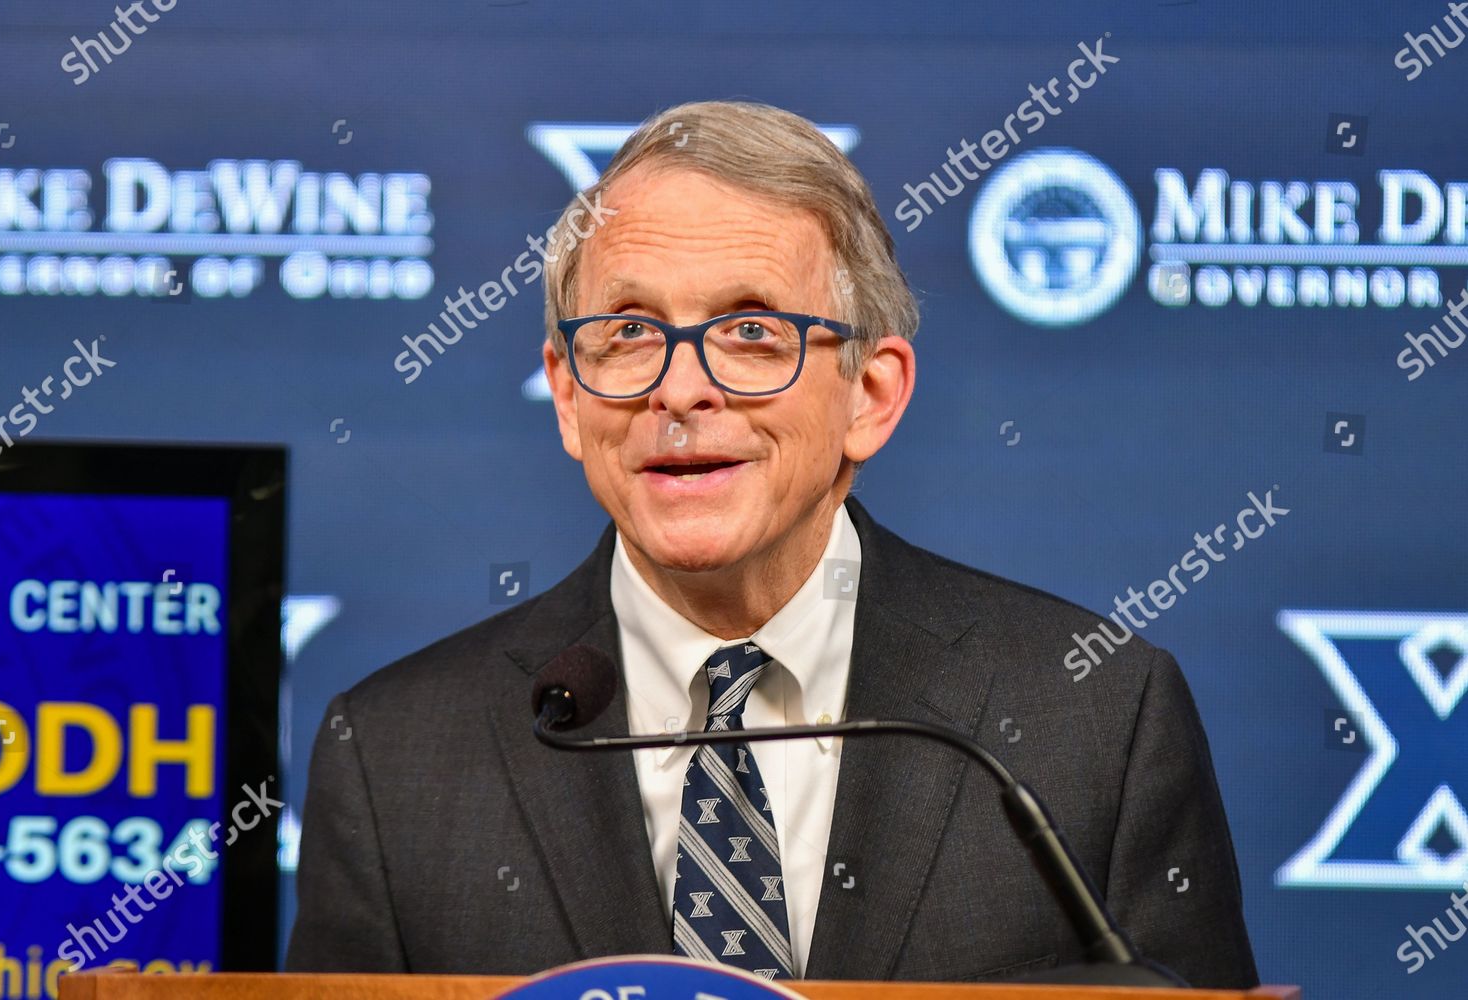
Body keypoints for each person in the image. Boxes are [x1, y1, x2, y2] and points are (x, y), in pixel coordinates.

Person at [287, 99, 1258, 988]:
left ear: (871, 395)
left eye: (751, 330)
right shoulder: (394, 757)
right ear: (571, 397)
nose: (679, 391)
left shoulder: (1094, 717)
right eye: (628, 331)